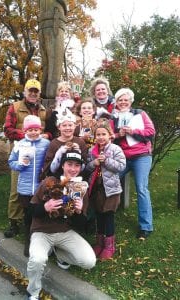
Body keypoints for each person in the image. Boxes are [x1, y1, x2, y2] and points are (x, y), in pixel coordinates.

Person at [26, 149, 96, 300]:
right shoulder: (49, 182)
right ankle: (33, 292)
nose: (73, 169)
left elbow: (82, 223)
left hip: (65, 232)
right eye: (69, 164)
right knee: (37, 259)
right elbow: (29, 210)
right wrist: (44, 208)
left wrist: (78, 211)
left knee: (89, 261)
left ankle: (60, 255)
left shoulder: (81, 187)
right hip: (42, 231)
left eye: (77, 165)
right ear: (62, 165)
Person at [4, 79, 51, 239]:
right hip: (20, 154)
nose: (32, 94)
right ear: (25, 92)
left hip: (39, 155)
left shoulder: (45, 110)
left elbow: (51, 131)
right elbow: (8, 130)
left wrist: (45, 135)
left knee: (39, 186)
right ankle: (14, 222)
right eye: (30, 90)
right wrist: (27, 134)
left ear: (39, 94)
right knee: (16, 188)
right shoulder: (15, 107)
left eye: (35, 91)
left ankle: (35, 219)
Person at [111, 88, 156, 239]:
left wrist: (133, 131)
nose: (123, 102)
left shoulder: (140, 113)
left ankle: (146, 226)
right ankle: (104, 218)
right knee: (109, 181)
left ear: (130, 101)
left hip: (141, 156)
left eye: (125, 100)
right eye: (120, 100)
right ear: (116, 102)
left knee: (141, 188)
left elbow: (151, 132)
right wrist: (119, 134)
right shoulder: (114, 117)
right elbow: (109, 137)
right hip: (122, 157)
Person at [8, 115, 50, 256]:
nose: (33, 132)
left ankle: (43, 244)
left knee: (41, 216)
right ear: (25, 130)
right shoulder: (19, 144)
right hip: (24, 188)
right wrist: (19, 165)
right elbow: (11, 162)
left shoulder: (46, 143)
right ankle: (29, 242)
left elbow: (50, 160)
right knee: (28, 216)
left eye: (36, 129)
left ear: (40, 129)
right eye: (30, 129)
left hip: (40, 188)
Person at [86, 121, 126, 260]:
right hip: (97, 189)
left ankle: (109, 246)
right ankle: (99, 243)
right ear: (94, 136)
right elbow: (87, 168)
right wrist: (94, 163)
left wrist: (107, 161)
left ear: (110, 135)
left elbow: (121, 166)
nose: (101, 137)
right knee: (99, 215)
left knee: (108, 216)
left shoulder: (115, 149)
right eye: (98, 135)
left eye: (104, 134)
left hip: (111, 190)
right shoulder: (92, 151)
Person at [41, 107, 88, 179]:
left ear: (75, 126)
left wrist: (78, 152)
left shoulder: (80, 142)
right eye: (64, 125)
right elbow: (48, 166)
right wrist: (60, 153)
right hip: (58, 178)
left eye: (70, 125)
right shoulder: (54, 143)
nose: (67, 128)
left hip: (76, 178)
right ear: (59, 127)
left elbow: (85, 163)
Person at [38, 0, 67, 99]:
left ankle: (50, 95)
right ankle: (49, 95)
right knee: (51, 65)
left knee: (52, 65)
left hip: (52, 21)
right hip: (49, 22)